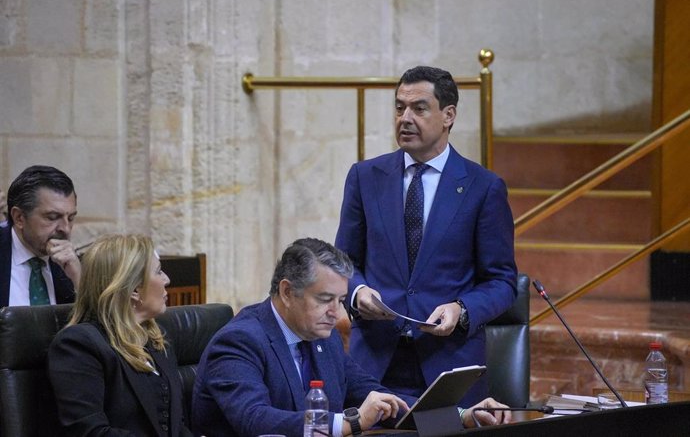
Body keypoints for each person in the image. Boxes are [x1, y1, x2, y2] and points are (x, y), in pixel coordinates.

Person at [192, 238, 511, 437]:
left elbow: (376, 396)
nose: (336, 313)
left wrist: (462, 415)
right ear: (287, 292)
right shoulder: (239, 342)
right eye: (324, 299)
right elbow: (255, 419)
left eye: (340, 301)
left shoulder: (323, 338)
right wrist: (349, 423)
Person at [334, 66, 518, 407]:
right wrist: (357, 292)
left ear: (448, 116)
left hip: (447, 366)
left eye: (419, 108)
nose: (405, 118)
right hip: (374, 364)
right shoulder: (365, 177)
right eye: (399, 107)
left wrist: (461, 310)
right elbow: (342, 262)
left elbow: (502, 281)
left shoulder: (483, 188)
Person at [48, 234, 192, 436]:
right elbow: (91, 432)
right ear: (134, 289)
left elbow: (176, 425)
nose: (167, 279)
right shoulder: (77, 345)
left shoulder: (158, 339)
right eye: (159, 272)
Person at [0, 165, 81, 306]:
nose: (66, 229)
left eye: (71, 218)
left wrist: (79, 281)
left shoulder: (72, 266)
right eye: (52, 217)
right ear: (19, 218)